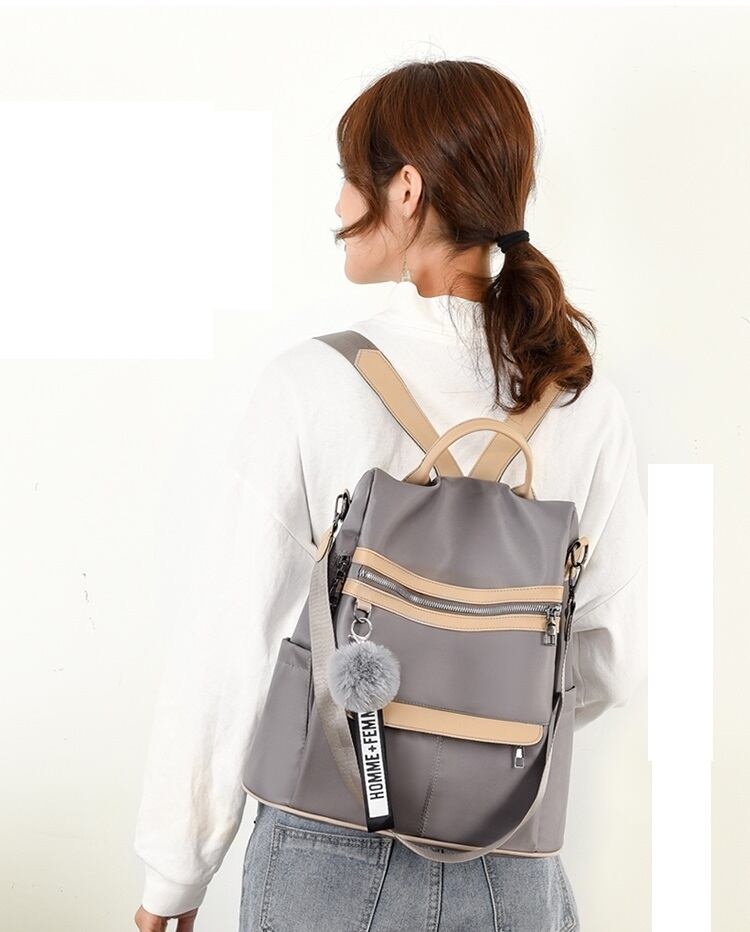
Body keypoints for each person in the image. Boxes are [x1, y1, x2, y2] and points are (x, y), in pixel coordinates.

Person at [133, 58, 647, 931]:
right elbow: (611, 663)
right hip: (511, 855)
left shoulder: (311, 384)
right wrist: (479, 732)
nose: (338, 204)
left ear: (406, 190)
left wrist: (174, 875)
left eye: (349, 175)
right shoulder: (580, 400)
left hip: (324, 848)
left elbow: (230, 641)